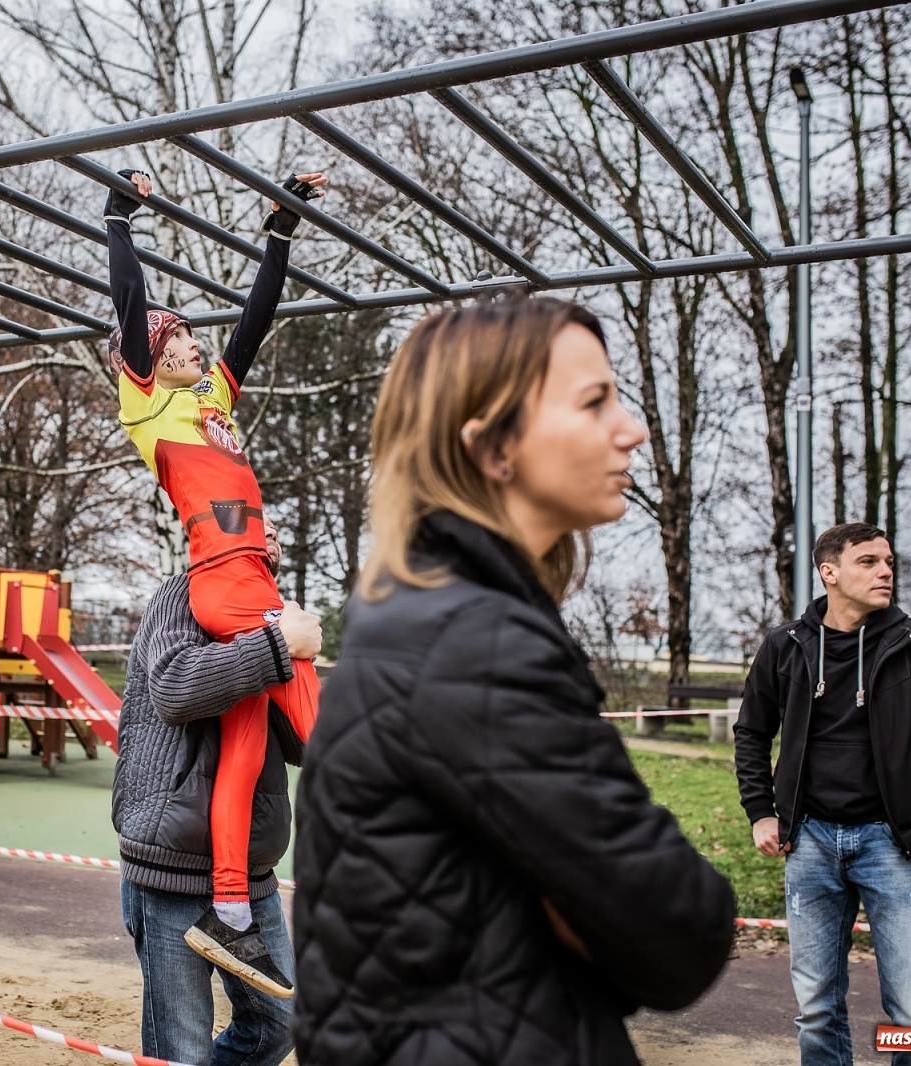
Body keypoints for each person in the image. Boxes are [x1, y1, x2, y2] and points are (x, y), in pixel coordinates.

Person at [291, 299, 737, 1066]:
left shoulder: (417, 616)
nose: (631, 429)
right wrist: (591, 919)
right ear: (494, 446)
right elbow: (682, 932)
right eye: (594, 402)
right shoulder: (476, 645)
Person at [104, 167, 325, 996]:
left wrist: (281, 229)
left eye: (194, 337)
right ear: (150, 358)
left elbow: (255, 324)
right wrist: (119, 221)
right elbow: (131, 304)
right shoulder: (148, 407)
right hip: (229, 583)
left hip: (246, 574)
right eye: (179, 339)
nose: (195, 344)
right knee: (323, 729)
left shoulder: (211, 402)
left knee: (245, 749)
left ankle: (228, 912)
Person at [734, 522, 911, 1066]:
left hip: (893, 845)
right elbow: (752, 732)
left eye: (889, 562)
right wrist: (761, 812)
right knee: (816, 1010)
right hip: (808, 842)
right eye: (869, 562)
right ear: (829, 573)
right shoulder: (786, 645)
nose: (885, 572)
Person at [114, 515, 320, 1066]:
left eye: (277, 528)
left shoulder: (274, 611)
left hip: (250, 870)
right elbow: (174, 687)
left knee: (279, 1023)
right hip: (173, 863)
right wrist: (277, 647)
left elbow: (300, 745)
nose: (271, 533)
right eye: (258, 522)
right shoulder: (181, 594)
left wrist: (302, 669)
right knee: (181, 1050)